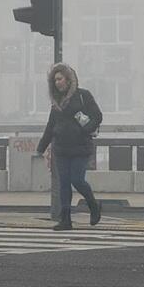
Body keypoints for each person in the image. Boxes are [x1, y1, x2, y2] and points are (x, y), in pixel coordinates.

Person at [36, 63, 103, 231]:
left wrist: (86, 129)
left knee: (77, 180)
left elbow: (97, 116)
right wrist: (41, 147)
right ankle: (65, 219)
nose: (57, 82)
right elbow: (51, 126)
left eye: (60, 79)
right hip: (61, 148)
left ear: (68, 79)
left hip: (80, 147)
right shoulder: (56, 103)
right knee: (64, 184)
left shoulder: (83, 96)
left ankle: (93, 205)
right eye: (55, 80)